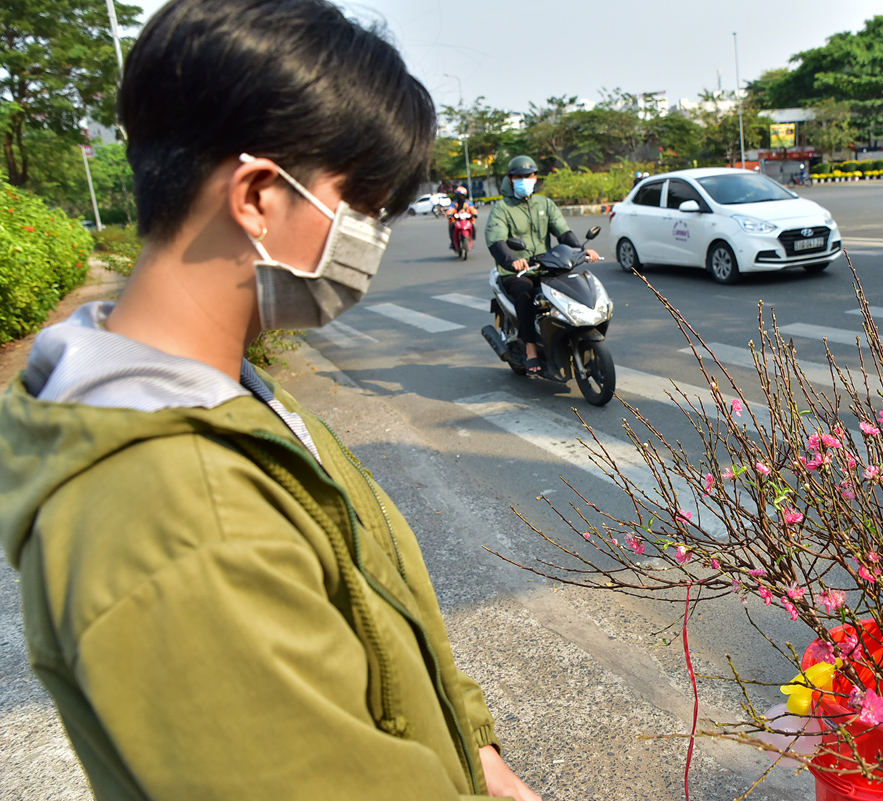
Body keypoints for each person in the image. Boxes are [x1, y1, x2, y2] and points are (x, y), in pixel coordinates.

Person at [0, 1, 541, 799]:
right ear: (256, 195)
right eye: (362, 207)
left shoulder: (230, 403)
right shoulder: (182, 523)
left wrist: (478, 756)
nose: (373, 242)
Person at [484, 156, 598, 376]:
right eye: (519, 177)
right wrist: (511, 261)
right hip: (517, 272)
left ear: (535, 177)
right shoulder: (502, 208)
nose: (524, 180)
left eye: (528, 176)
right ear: (510, 179)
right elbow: (496, 241)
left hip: (546, 266)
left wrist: (581, 250)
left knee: (570, 285)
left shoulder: (544, 203)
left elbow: (563, 232)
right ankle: (530, 350)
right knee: (525, 293)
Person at [446, 185, 477, 250]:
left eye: (461, 195)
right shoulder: (454, 203)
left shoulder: (468, 203)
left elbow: (472, 209)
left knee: (474, 226)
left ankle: (471, 237)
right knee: (451, 226)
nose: (460, 196)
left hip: (467, 220)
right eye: (458, 195)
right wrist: (449, 214)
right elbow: (450, 209)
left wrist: (474, 213)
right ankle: (452, 241)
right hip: (457, 220)